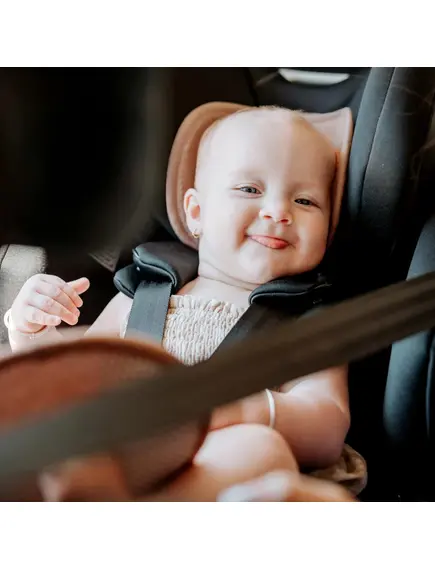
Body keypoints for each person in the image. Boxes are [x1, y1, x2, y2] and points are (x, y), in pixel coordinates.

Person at [4, 104, 365, 501]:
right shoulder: (143, 297)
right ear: (196, 212)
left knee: (260, 449)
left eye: (306, 201)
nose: (279, 212)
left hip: (220, 462)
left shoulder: (311, 321)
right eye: (250, 190)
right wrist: (32, 331)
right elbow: (79, 380)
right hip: (124, 454)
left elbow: (327, 426)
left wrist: (243, 410)